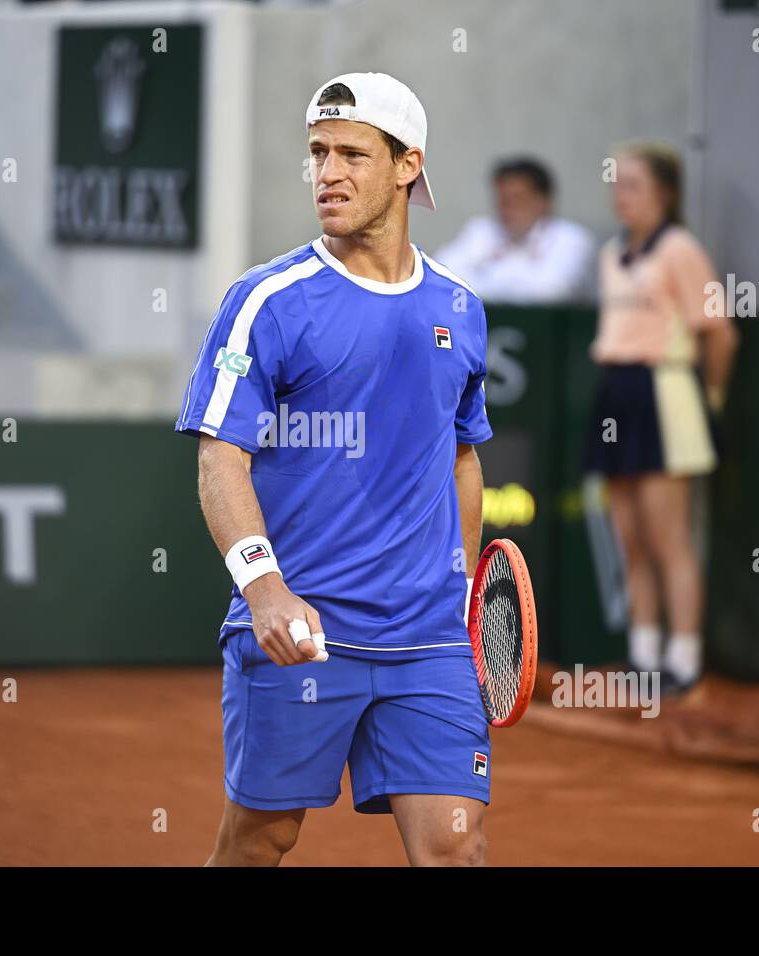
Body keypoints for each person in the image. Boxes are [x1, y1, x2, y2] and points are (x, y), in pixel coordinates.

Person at [175, 72, 494, 865]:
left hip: (428, 641)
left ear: (407, 166)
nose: (328, 173)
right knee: (260, 841)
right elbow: (222, 458)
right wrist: (264, 590)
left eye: (353, 153)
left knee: (455, 849)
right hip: (303, 633)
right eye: (317, 153)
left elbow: (461, 457)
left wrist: (460, 593)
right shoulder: (267, 299)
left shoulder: (459, 306)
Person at [583, 141, 737, 692]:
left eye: (634, 185)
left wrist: (709, 402)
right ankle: (644, 657)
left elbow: (720, 333)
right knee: (631, 540)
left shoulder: (680, 250)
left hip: (666, 394)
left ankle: (684, 663)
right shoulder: (609, 254)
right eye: (616, 184)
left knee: (670, 539)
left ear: (665, 193)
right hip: (616, 395)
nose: (620, 196)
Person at [434, 157, 594, 303]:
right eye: (503, 199)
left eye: (517, 198)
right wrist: (527, 272)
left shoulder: (572, 238)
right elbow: (440, 276)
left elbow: (552, 291)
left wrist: (489, 271)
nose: (508, 208)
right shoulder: (481, 231)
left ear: (544, 201)